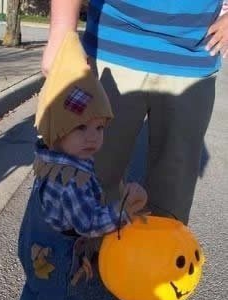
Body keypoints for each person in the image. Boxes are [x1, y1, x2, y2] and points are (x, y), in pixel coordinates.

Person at [6, 32, 147, 300]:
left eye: (99, 129)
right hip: (58, 258)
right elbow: (89, 223)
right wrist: (125, 205)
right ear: (57, 128)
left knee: (35, 283)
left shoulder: (50, 159)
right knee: (62, 298)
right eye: (81, 128)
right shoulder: (74, 181)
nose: (94, 138)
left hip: (32, 246)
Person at [42, 0, 228, 225]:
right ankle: (87, 257)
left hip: (194, 56)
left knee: (172, 200)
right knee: (89, 183)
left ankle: (155, 258)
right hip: (112, 43)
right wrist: (62, 31)